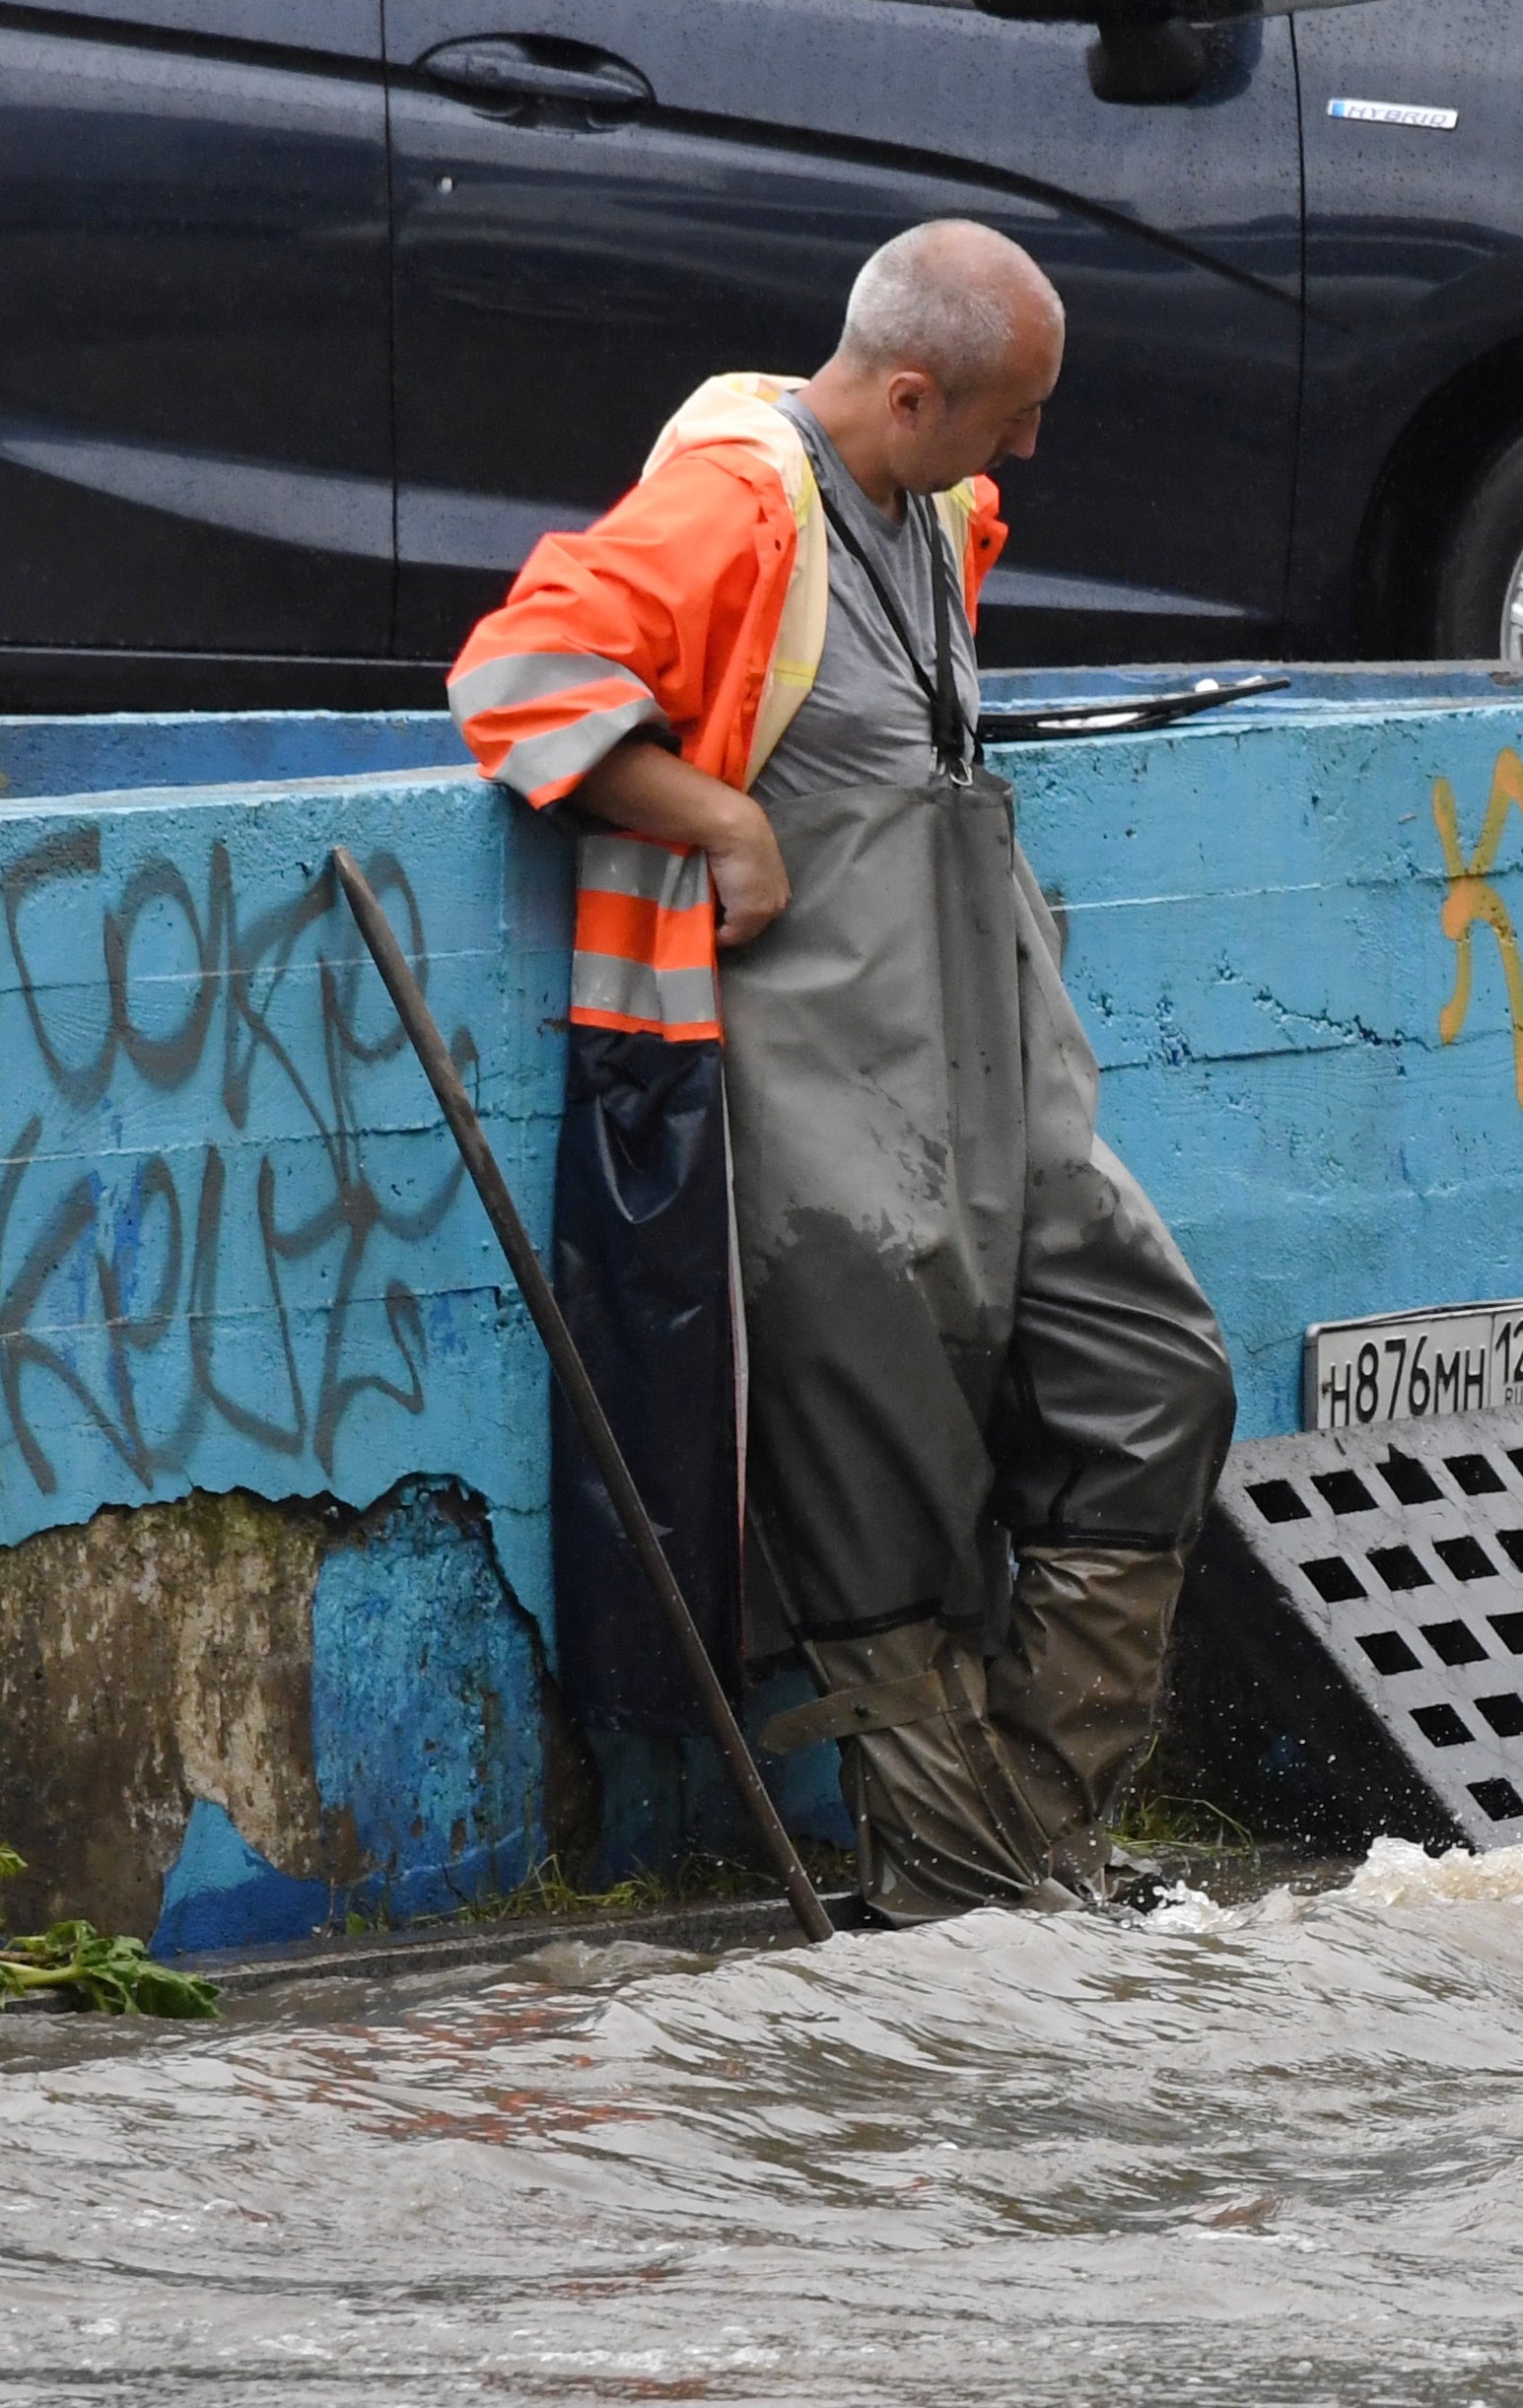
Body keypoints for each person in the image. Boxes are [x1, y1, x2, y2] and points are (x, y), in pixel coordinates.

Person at [448, 220, 1236, 1923]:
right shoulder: (737, 507)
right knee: (886, 1522)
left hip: (994, 1085)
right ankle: (966, 1918)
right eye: (1007, 413)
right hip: (815, 1121)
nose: (1027, 449)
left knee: (1155, 1377)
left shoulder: (937, 507)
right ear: (906, 388)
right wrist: (715, 815)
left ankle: (1026, 1838)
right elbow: (514, 673)